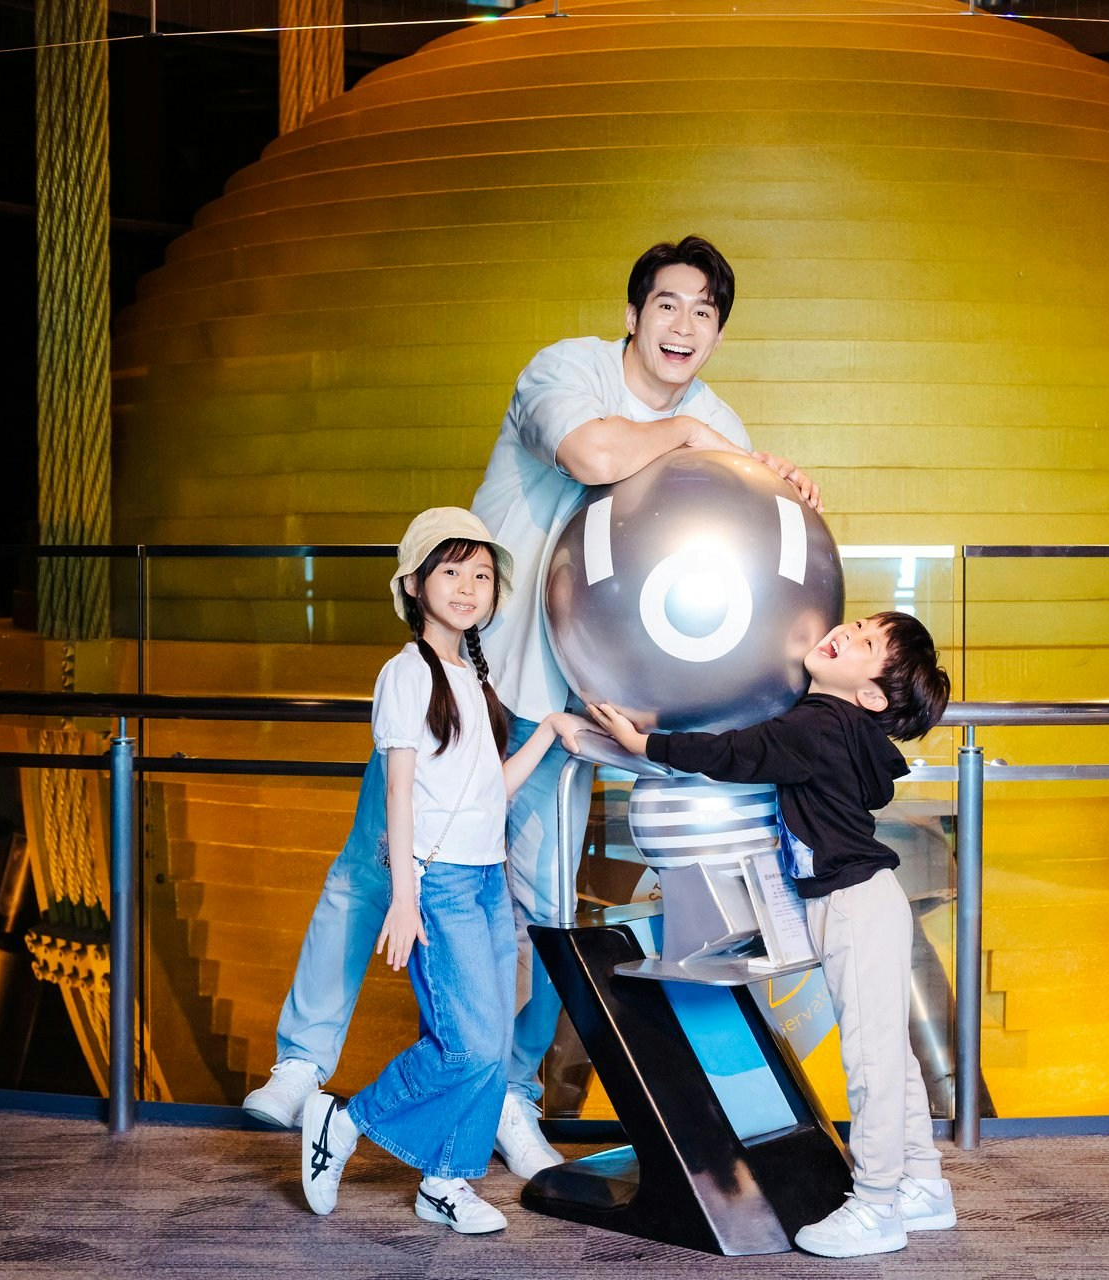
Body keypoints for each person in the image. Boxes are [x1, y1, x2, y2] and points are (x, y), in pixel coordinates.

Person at [243, 234, 822, 1174]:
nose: (684, 326)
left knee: (542, 908)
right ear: (633, 313)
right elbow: (593, 453)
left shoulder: (714, 413)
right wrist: (686, 438)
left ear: (718, 332)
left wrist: (779, 487)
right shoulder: (568, 369)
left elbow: (740, 531)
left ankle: (511, 1095)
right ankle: (302, 1062)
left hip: (571, 711)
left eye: (704, 312)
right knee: (375, 863)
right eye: (668, 304)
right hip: (471, 677)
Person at [581, 611, 955, 1259]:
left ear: (870, 696)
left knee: (873, 1063)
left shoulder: (819, 724)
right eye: (858, 623)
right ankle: (923, 1183)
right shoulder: (841, 728)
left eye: (865, 643)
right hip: (862, 902)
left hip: (854, 906)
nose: (846, 632)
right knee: (887, 1053)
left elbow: (735, 752)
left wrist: (647, 746)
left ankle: (877, 1205)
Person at [284, 507, 578, 1233]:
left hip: (485, 880)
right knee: (469, 1043)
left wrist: (548, 730)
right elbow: (398, 794)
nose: (469, 587)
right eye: (451, 571)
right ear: (414, 585)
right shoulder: (406, 674)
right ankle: (346, 1122)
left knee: (492, 1045)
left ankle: (445, 1182)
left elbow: (490, 792)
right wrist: (405, 897)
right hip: (438, 883)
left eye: (481, 574)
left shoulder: (470, 678)